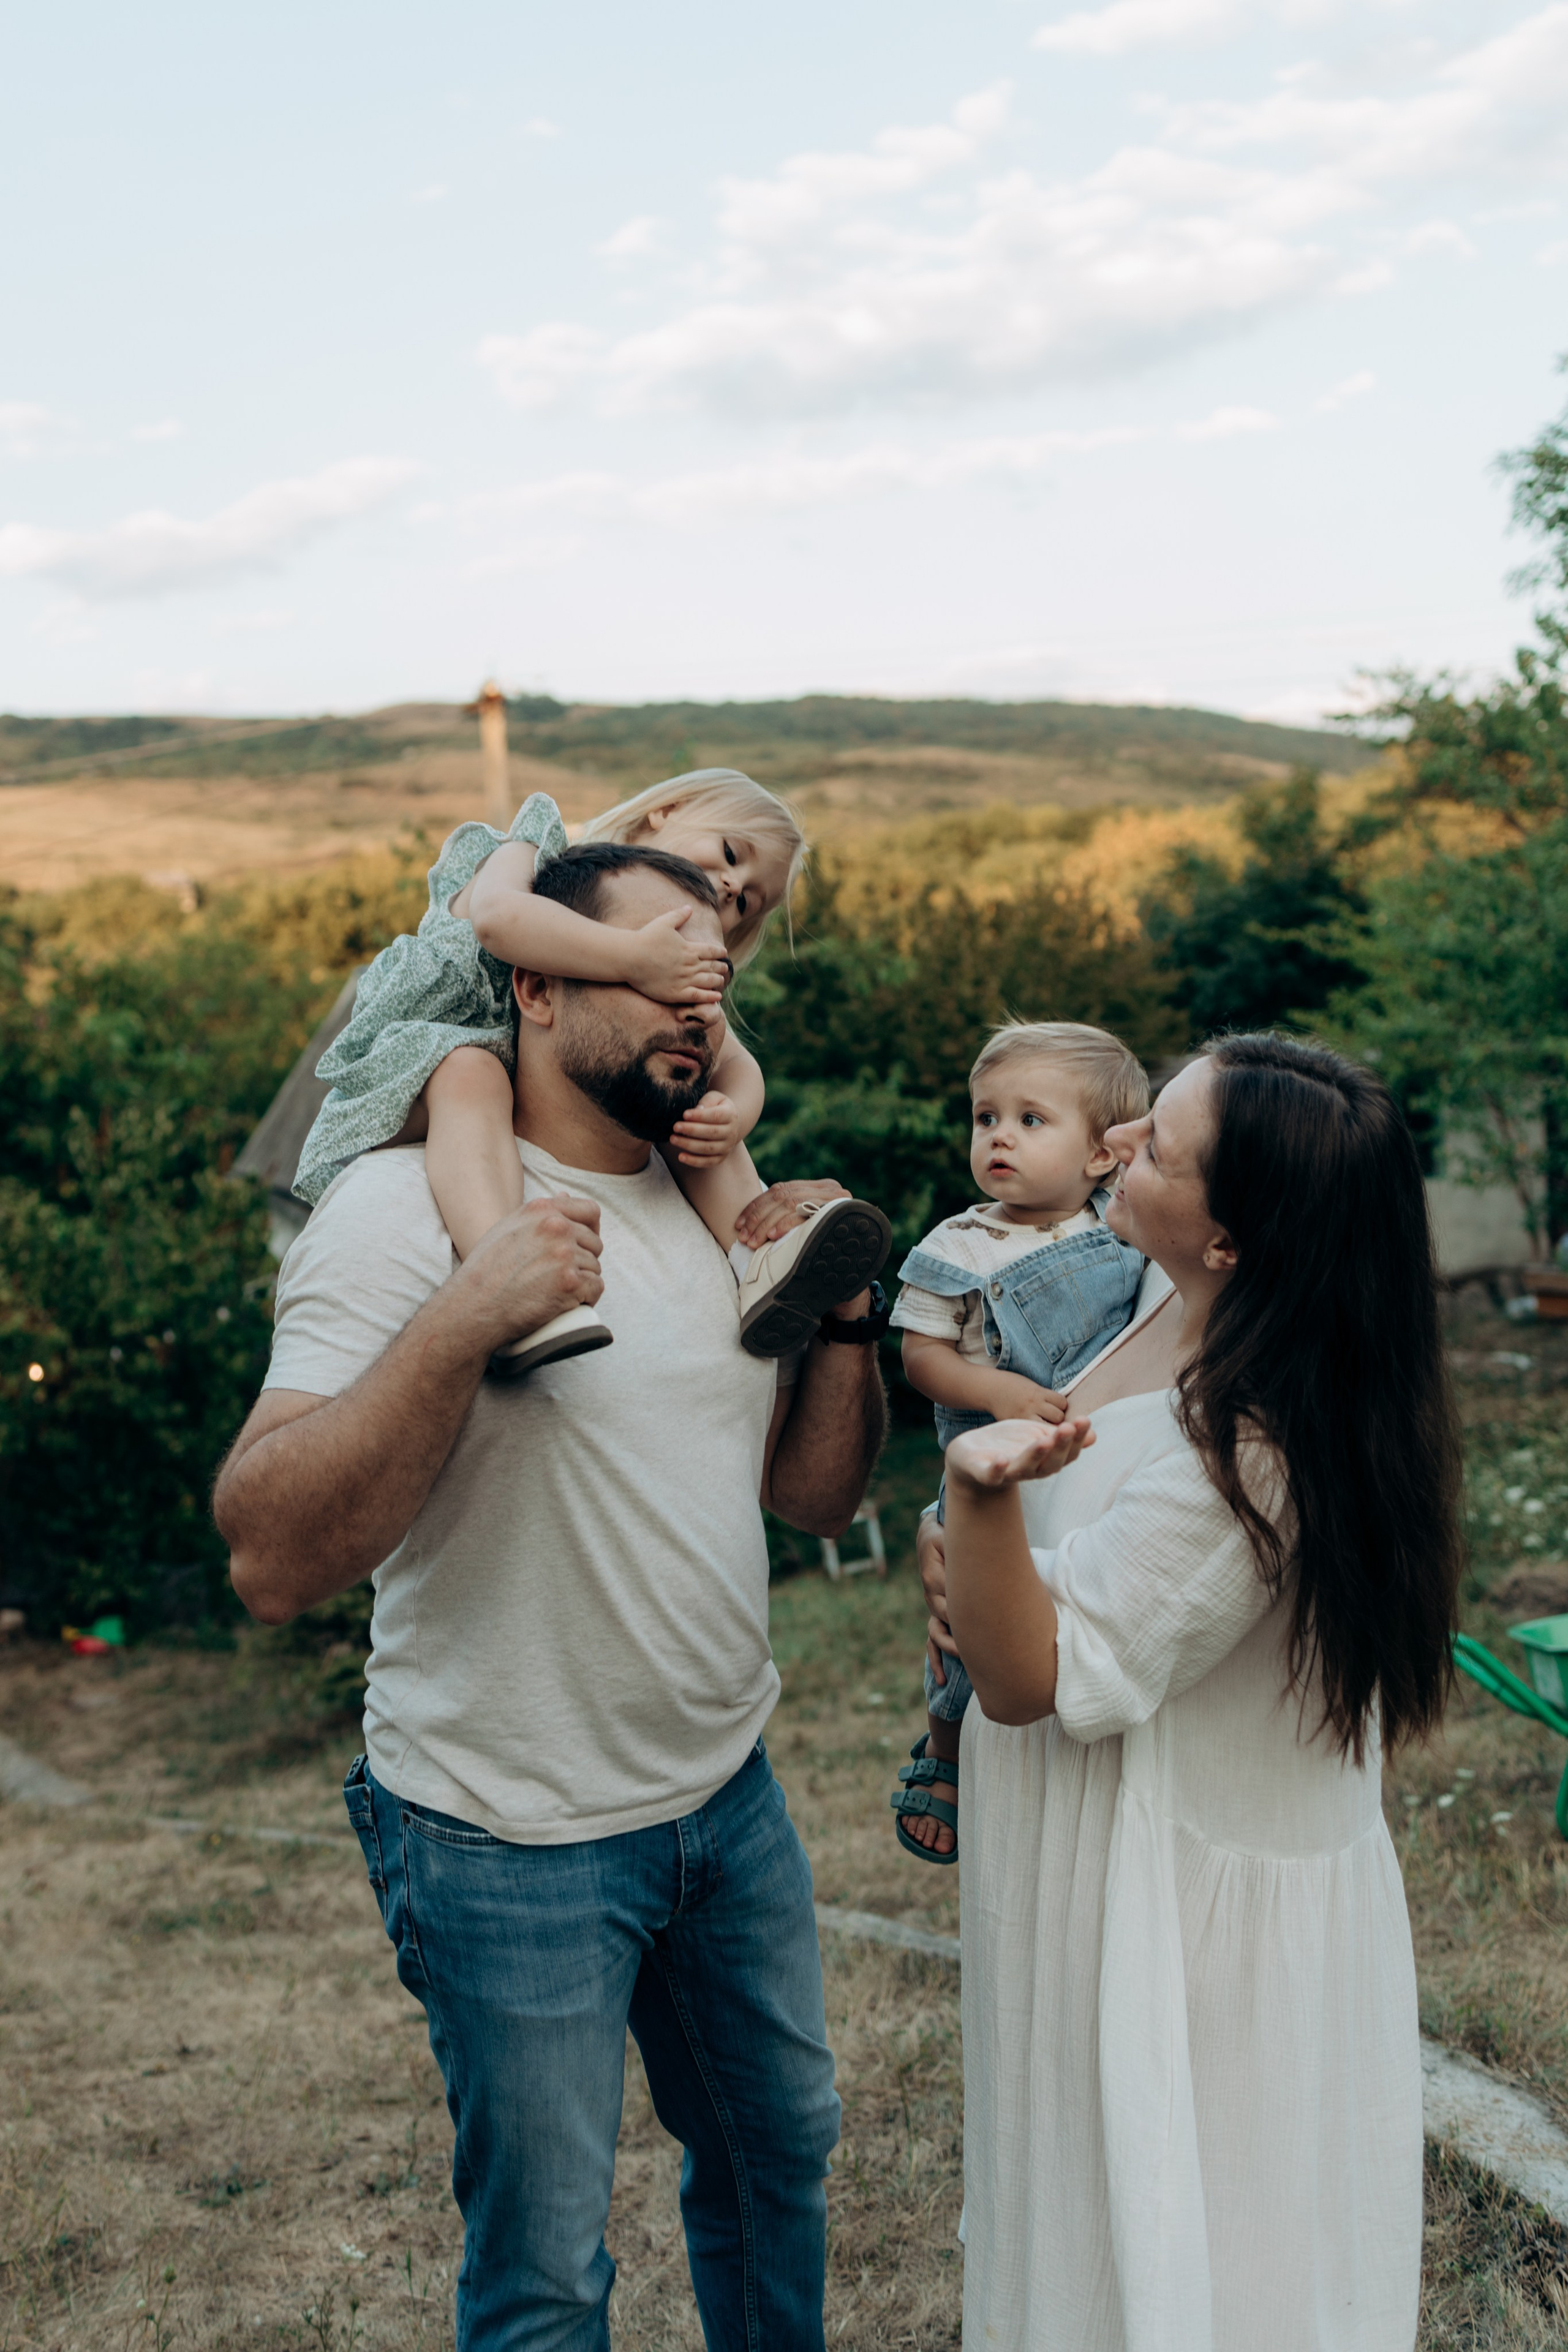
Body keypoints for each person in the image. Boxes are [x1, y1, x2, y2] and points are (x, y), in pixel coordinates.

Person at [214, 840, 892, 2352]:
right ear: (530, 980)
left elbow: (816, 1495)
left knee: (778, 2161)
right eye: (652, 950)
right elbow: (267, 1556)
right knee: (543, 2274)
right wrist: (464, 1318)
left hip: (727, 1805)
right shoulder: (401, 1214)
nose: (694, 990)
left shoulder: (726, 1217)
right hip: (501, 1837)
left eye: (709, 958)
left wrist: (844, 1320)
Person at [919, 1033, 1462, 2352]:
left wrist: (974, 1503)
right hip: (1109, 1865)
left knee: (1196, 2265)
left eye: (1153, 1146)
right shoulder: (1178, 1306)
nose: (1112, 1147)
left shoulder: (1259, 1447)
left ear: (1232, 1239)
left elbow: (1027, 1672)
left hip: (1173, 1931)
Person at [294, 767, 890, 1373]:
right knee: (471, 1071)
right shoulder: (542, 851)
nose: (731, 884)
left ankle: (760, 1258)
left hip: (542, 1074)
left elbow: (739, 1065)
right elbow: (498, 921)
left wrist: (730, 1115)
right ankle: (508, 1275)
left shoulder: (675, 978)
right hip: (429, 1052)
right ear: (667, 809)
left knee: (689, 1100)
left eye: (744, 900)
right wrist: (632, 958)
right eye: (732, 852)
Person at [886, 1021, 1147, 1864]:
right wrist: (995, 1390)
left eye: (1032, 1120)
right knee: (962, 1616)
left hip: (1095, 1455)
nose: (999, 1136)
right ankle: (945, 1750)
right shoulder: (958, 1245)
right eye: (985, 1117)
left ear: (1104, 1155)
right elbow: (920, 1357)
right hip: (991, 1461)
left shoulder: (1124, 1221)